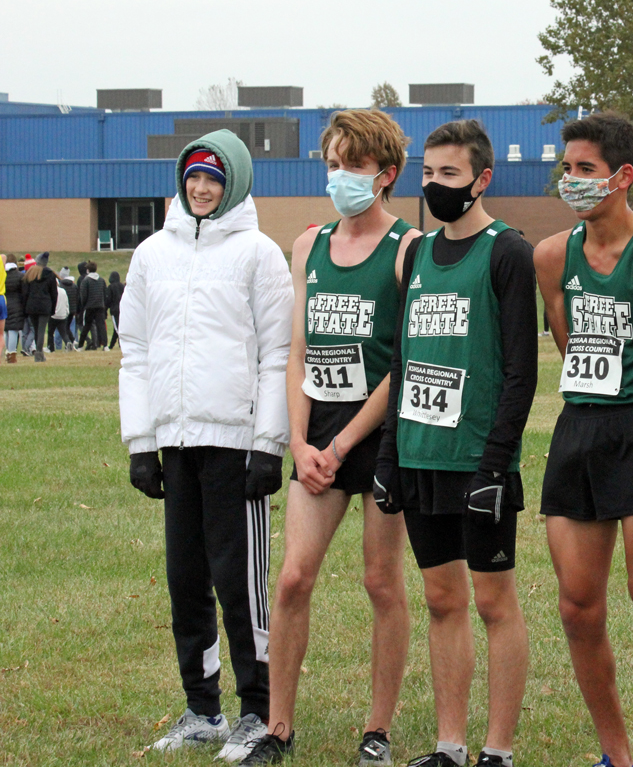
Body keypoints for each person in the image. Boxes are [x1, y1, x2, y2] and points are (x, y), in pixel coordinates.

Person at [245, 109, 414, 767]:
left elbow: (404, 365)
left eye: (352, 164)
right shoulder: (308, 245)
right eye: (331, 163)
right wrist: (300, 442)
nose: (338, 176)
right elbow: (297, 354)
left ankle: (377, 729)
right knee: (291, 580)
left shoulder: (406, 248)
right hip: (315, 435)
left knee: (380, 581)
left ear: (385, 174)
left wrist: (345, 444)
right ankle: (277, 727)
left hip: (375, 436)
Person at [119, 129, 293, 758]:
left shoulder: (259, 254)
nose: (200, 188)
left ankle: (259, 709)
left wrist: (269, 444)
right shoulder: (150, 255)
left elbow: (278, 355)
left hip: (237, 447)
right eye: (192, 176)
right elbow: (134, 351)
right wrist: (142, 441)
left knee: (238, 582)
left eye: (212, 178)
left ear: (235, 183)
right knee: (185, 578)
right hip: (176, 443)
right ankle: (202, 708)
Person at [376, 119, 537, 767]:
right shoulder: (415, 253)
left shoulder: (508, 252)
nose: (435, 185)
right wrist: (389, 455)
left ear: (482, 179)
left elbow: (522, 370)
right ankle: (449, 745)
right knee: (442, 600)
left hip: (478, 462)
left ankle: (496, 752)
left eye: (449, 174)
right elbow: (404, 357)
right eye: (428, 173)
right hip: (420, 456)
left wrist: (496, 463)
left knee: (494, 601)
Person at [533, 111, 633, 767]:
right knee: (576, 606)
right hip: (580, 428)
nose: (572, 180)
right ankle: (615, 754)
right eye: (567, 168)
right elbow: (568, 344)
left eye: (586, 170)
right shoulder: (550, 256)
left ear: (622, 177)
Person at [20, 253, 57, 363]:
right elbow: (54, 294)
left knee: (36, 330)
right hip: (45, 305)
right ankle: (39, 353)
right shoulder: (50, 275)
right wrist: (52, 308)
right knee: (41, 330)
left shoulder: (30, 273)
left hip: (31, 305)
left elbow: (25, 293)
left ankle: (39, 353)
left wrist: (24, 308)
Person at [77, 260, 108, 351]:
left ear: (87, 270)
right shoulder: (101, 280)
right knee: (101, 326)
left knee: (86, 326)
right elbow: (104, 293)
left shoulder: (86, 280)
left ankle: (80, 346)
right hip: (100, 306)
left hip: (89, 306)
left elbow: (83, 295)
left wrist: (84, 305)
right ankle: (105, 345)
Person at [4, 260, 24, 361]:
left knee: (4, 329)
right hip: (17, 304)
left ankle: (6, 351)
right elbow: (24, 292)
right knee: (13, 329)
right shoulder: (20, 276)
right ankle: (12, 352)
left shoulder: (2, 275)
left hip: (4, 302)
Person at [48, 273, 72, 353]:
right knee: (63, 332)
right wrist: (67, 312)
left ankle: (51, 348)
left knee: (50, 332)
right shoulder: (63, 291)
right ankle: (68, 342)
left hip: (54, 315)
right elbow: (66, 302)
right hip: (62, 315)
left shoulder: (51, 292)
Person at [107, 270, 125, 349]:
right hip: (123, 309)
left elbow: (108, 299)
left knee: (117, 328)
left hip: (114, 310)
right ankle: (112, 345)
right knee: (118, 327)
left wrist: (106, 307)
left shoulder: (111, 287)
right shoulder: (122, 286)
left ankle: (122, 343)